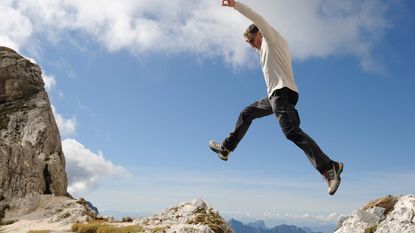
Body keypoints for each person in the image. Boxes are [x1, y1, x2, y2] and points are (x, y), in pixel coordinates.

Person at [209, 0, 344, 195]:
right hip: (274, 97)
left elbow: (259, 18)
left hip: (282, 93)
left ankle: (329, 167)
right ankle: (226, 148)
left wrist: (235, 5)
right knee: (246, 113)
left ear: (260, 34)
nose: (250, 45)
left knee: (291, 131)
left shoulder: (271, 38)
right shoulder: (264, 50)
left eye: (251, 40)